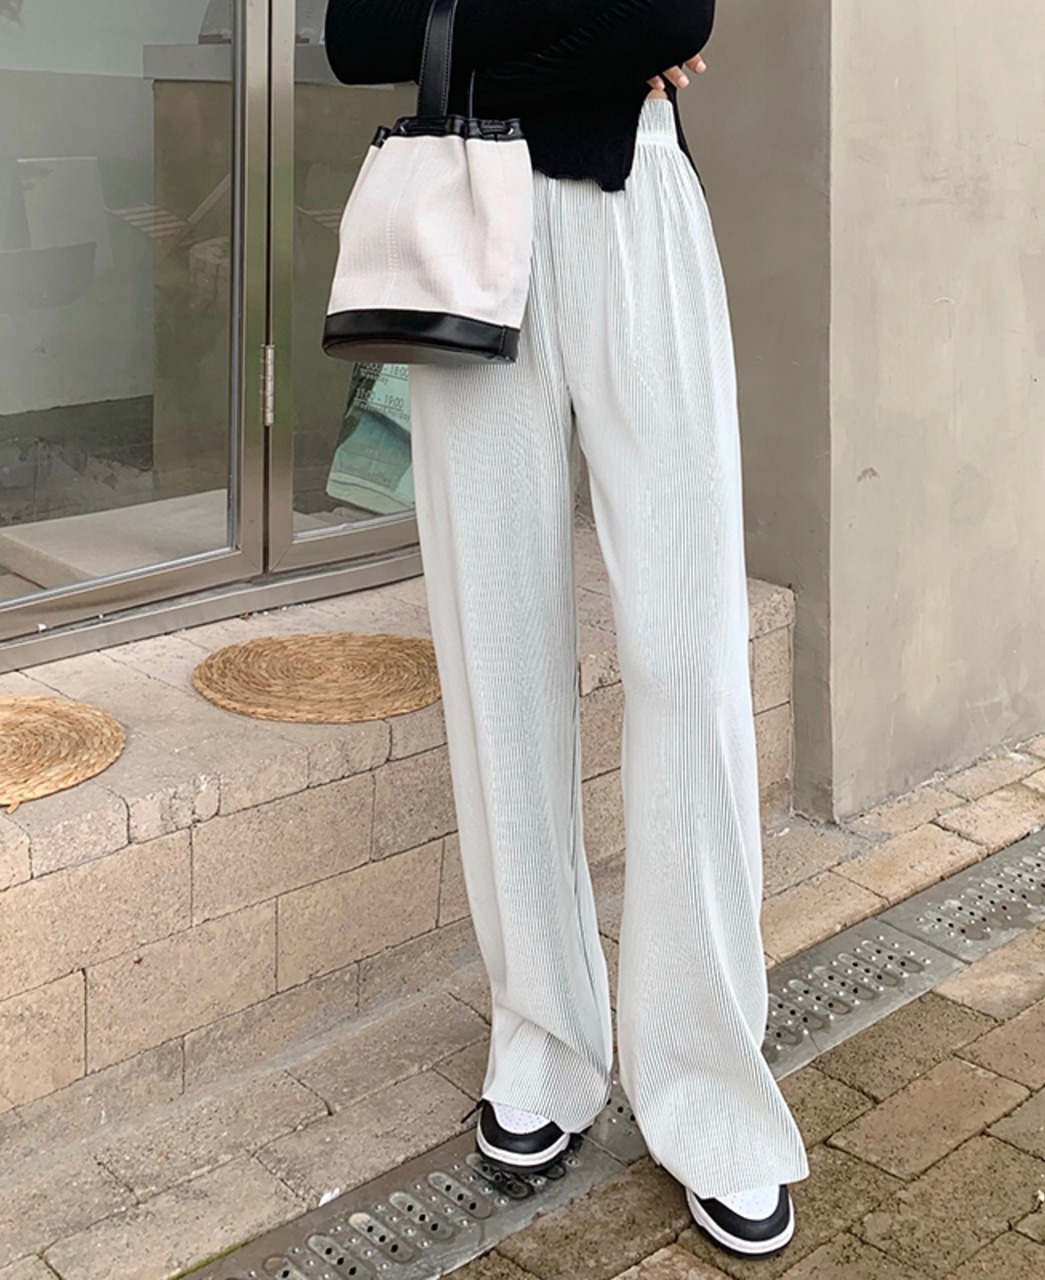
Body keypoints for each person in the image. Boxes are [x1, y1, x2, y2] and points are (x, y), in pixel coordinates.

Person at [323, 0, 809, 1258]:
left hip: (634, 210)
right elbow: (357, 33)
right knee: (500, 654)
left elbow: (671, 11)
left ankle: (706, 1081)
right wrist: (598, 40)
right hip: (464, 212)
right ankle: (542, 1039)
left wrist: (489, 37)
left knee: (686, 654)